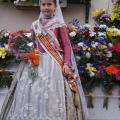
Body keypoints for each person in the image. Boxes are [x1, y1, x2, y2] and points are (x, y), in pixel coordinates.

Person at [0, 0, 88, 119]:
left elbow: (66, 45)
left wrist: (67, 63)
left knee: (51, 93)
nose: (46, 7)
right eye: (43, 4)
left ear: (55, 6)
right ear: (40, 6)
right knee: (31, 91)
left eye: (49, 4)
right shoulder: (35, 25)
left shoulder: (59, 24)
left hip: (53, 64)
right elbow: (30, 44)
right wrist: (23, 53)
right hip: (35, 62)